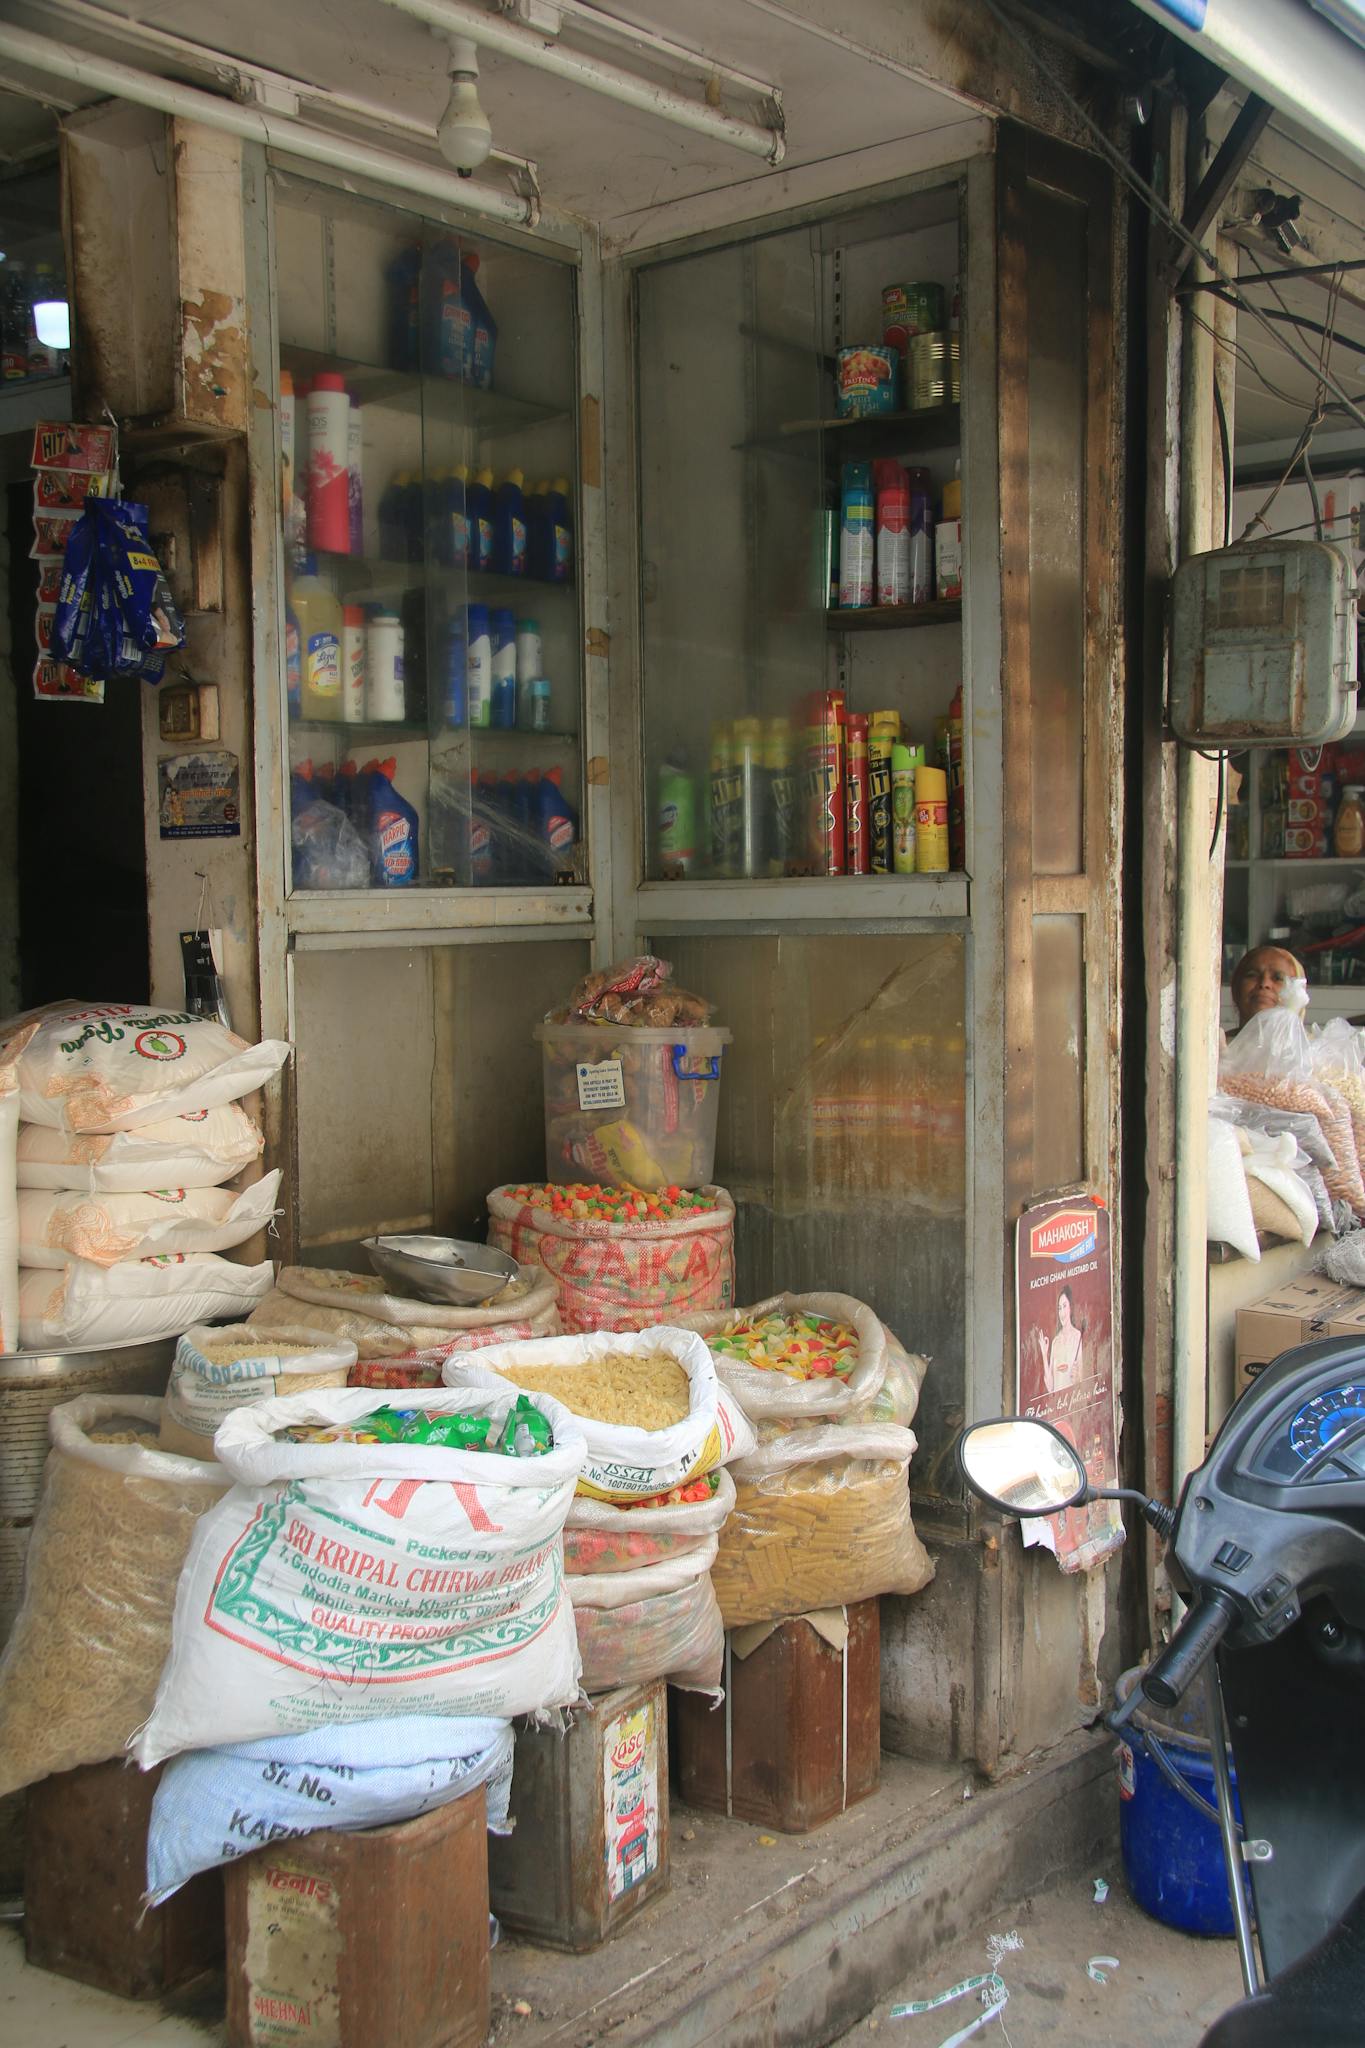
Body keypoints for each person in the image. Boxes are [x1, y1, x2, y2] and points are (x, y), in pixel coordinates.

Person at [1230, 943, 1306, 1030]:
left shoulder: (1312, 1044)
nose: (1264, 983)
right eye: (1252, 975)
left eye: (1278, 978)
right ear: (1236, 988)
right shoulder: (1217, 1043)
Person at [1043, 1285, 1083, 1394]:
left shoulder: (1077, 1336)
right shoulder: (1055, 1342)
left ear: (1071, 1307)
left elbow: (1082, 1378)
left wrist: (1078, 1379)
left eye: (1065, 1306)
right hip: (1057, 1406)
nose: (1062, 1312)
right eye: (1059, 1308)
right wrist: (1044, 1353)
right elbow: (1050, 1387)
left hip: (1073, 1403)